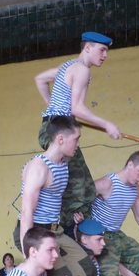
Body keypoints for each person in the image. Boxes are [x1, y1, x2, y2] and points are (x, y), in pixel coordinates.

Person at [34, 31, 121, 232]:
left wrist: (53, 108)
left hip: (52, 129)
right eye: (102, 50)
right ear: (87, 48)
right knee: (81, 185)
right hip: (59, 133)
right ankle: (70, 227)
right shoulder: (82, 70)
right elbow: (77, 109)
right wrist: (107, 124)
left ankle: (72, 221)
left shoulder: (67, 66)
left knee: (78, 182)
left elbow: (40, 79)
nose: (105, 55)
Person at [14, 115, 89, 276]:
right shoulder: (39, 168)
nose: (78, 145)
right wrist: (30, 253)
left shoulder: (63, 163)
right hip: (35, 232)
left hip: (55, 231)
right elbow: (26, 212)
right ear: (60, 139)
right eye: (76, 139)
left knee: (87, 270)